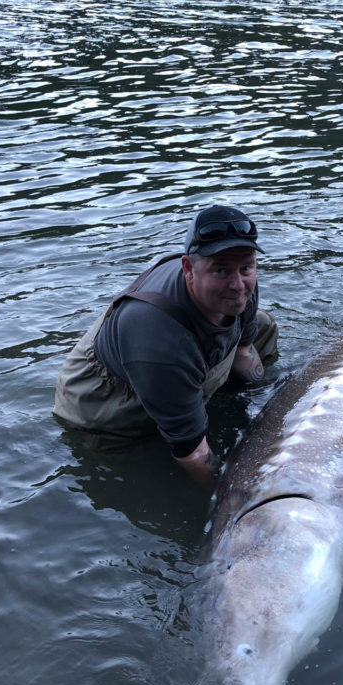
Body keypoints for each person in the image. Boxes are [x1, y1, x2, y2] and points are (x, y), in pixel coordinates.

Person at [53, 205, 278, 490]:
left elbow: (244, 352)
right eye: (219, 270)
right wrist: (237, 496)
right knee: (151, 465)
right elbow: (194, 455)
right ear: (189, 269)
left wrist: (269, 406)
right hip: (104, 403)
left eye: (246, 268)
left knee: (263, 325)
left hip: (164, 348)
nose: (237, 284)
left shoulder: (241, 286)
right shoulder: (161, 345)